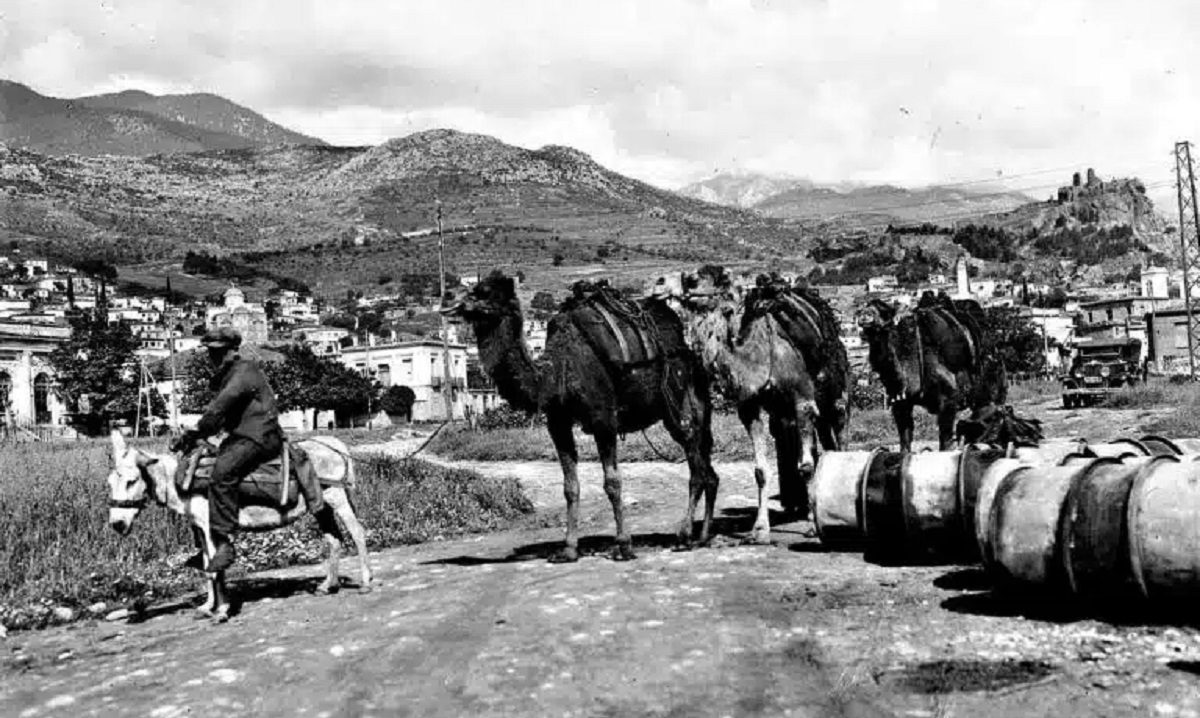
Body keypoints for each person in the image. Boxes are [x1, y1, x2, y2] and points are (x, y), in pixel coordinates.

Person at [172, 327, 288, 572]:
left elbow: (219, 408)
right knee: (197, 469)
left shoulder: (244, 371)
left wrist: (195, 432)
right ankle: (202, 544)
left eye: (218, 352)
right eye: (211, 352)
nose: (213, 357)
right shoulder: (229, 373)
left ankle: (225, 542)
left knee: (222, 473)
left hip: (260, 435)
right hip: (241, 436)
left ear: (232, 351)